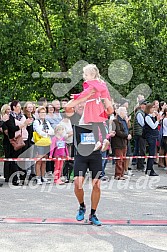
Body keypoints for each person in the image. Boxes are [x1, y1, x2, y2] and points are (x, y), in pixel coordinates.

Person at [65, 101, 102, 226]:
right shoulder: (75, 118)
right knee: (78, 183)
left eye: (84, 104)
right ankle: (82, 206)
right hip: (80, 155)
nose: (81, 106)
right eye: (79, 104)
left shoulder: (95, 117)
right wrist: (79, 98)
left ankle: (93, 214)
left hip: (95, 154)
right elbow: (68, 107)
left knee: (96, 185)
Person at [70, 64, 113, 152]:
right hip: (99, 104)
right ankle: (104, 139)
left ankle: (97, 141)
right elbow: (105, 94)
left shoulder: (89, 83)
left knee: (94, 123)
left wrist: (76, 96)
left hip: (91, 104)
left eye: (86, 74)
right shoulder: (101, 83)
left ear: (92, 75)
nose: (84, 76)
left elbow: (86, 93)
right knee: (100, 122)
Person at [5, 100, 32, 185]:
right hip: (16, 140)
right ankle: (15, 178)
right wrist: (23, 124)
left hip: (25, 139)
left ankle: (23, 178)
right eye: (18, 106)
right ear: (14, 107)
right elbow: (12, 128)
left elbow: (27, 127)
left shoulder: (23, 116)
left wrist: (27, 124)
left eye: (20, 107)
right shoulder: (10, 117)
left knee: (23, 160)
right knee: (15, 160)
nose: (20, 108)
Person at [33, 106, 54, 185]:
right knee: (39, 161)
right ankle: (38, 177)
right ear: (38, 114)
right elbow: (39, 132)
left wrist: (45, 132)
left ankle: (43, 176)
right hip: (39, 143)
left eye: (44, 112)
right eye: (41, 112)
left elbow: (52, 131)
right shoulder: (36, 122)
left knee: (44, 160)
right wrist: (46, 133)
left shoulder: (47, 122)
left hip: (46, 143)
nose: (43, 114)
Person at [111, 107, 131, 180]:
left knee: (123, 159)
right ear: (120, 112)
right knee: (119, 159)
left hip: (124, 142)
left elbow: (127, 129)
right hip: (118, 143)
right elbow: (118, 132)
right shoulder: (115, 121)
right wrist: (126, 135)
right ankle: (118, 174)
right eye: (125, 111)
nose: (126, 112)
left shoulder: (124, 121)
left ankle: (122, 174)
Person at [144, 103, 161, 176]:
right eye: (152, 108)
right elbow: (153, 126)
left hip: (153, 136)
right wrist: (157, 120)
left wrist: (157, 117)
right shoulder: (147, 117)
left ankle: (149, 169)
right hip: (150, 137)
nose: (153, 109)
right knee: (151, 153)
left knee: (152, 153)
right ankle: (150, 170)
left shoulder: (152, 117)